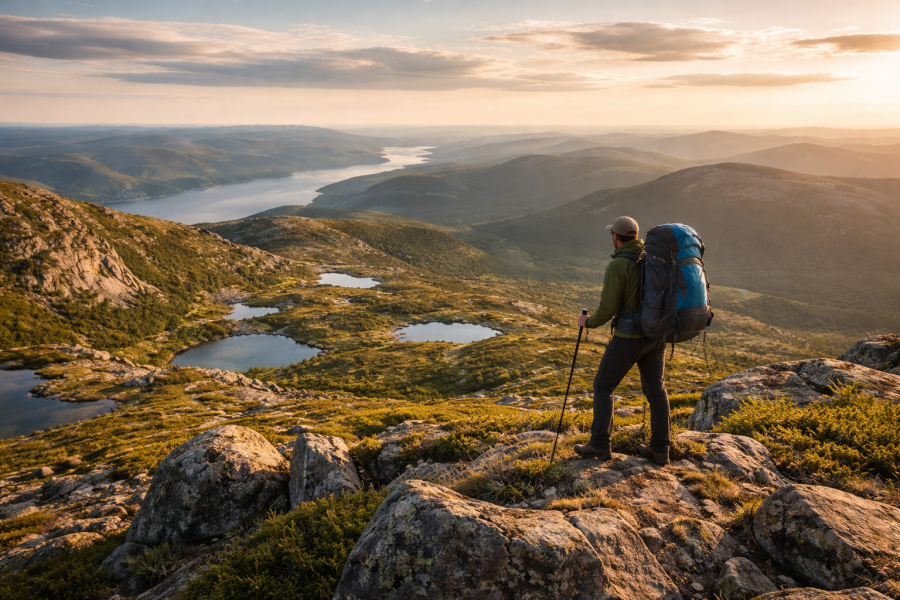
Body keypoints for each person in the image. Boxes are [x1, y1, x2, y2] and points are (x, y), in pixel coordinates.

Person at [573, 216, 671, 465]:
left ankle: (599, 445)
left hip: (629, 337)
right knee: (656, 391)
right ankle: (661, 449)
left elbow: (607, 308)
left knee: (603, 387)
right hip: (655, 336)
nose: (612, 238)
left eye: (611, 235)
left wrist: (589, 323)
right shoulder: (652, 258)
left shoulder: (618, 266)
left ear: (616, 238)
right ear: (636, 236)